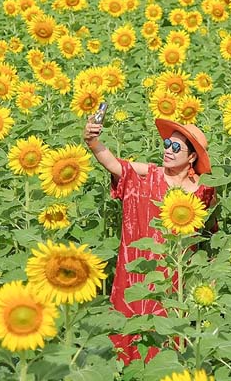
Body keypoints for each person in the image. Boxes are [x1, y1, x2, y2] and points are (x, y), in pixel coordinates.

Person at [83, 114, 217, 364]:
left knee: (168, 330)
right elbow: (116, 166)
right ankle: (125, 373)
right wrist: (92, 141)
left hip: (174, 272)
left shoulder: (204, 190)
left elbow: (210, 233)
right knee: (130, 321)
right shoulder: (151, 174)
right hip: (138, 266)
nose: (168, 150)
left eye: (176, 147)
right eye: (167, 143)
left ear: (192, 157)